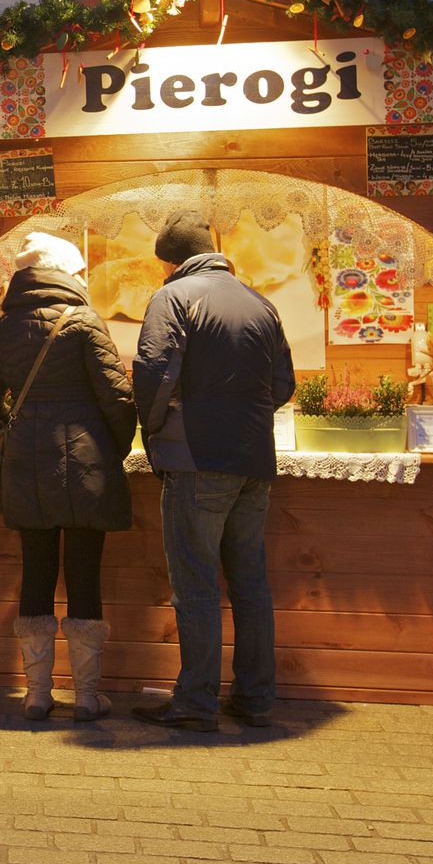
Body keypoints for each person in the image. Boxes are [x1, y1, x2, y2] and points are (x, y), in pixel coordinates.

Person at [132, 210, 297, 732]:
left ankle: (195, 703)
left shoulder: (173, 298)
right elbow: (283, 385)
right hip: (254, 460)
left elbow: (156, 375)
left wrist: (154, 431)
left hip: (198, 459)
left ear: (168, 261)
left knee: (197, 586)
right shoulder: (260, 302)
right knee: (251, 585)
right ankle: (254, 699)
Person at [0, 233, 136, 721]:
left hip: (27, 468)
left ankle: (37, 694)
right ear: (67, 274)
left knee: (36, 571)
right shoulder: (83, 322)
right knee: (85, 572)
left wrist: (15, 432)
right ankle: (86, 696)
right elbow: (119, 398)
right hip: (88, 465)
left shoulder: (1, 330)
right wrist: (112, 448)